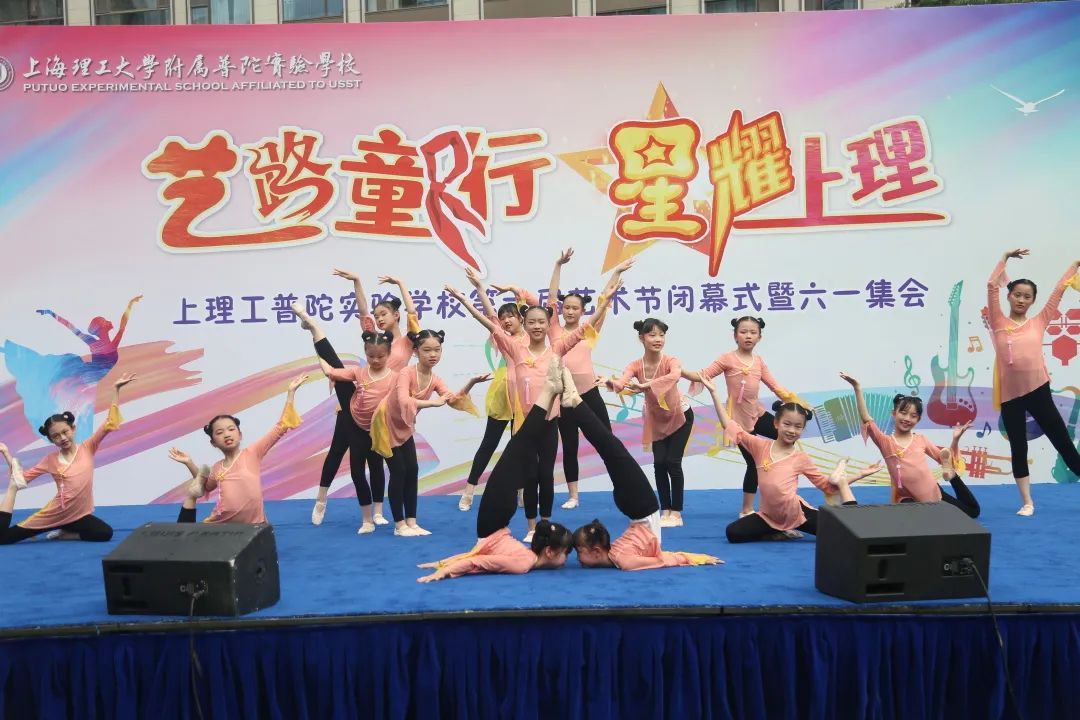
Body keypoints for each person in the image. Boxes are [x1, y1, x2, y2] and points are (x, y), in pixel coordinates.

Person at [446, 276, 617, 541]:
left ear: (549, 325)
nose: (537, 326)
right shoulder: (516, 350)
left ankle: (545, 525)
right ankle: (530, 528)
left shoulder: (557, 349)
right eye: (532, 322)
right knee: (530, 476)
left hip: (549, 423)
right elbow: (489, 322)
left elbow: (585, 328)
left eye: (541, 322)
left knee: (546, 474)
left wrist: (604, 303)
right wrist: (465, 300)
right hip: (524, 424)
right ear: (525, 325)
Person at [497, 251, 634, 509]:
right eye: (566, 307)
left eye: (575, 308)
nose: (570, 311)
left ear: (583, 311)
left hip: (589, 394)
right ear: (560, 310)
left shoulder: (588, 330)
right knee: (570, 447)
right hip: (565, 397)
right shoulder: (554, 329)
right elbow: (551, 296)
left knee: (607, 441)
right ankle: (573, 495)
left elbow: (604, 300)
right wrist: (558, 265)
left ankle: (624, 486)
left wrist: (616, 273)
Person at [416, 360, 574, 582]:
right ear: (549, 551)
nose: (566, 560)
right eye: (565, 554)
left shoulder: (524, 560)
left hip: (495, 521)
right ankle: (549, 392)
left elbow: (476, 558)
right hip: (495, 521)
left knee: (522, 441)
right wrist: (444, 570)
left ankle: (549, 391)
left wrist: (445, 564)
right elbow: (476, 561)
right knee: (522, 441)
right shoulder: (522, 563)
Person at [700, 376, 880, 543]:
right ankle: (776, 531)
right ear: (776, 423)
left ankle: (790, 526)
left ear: (802, 430)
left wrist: (860, 475)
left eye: (798, 427)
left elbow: (827, 487)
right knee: (733, 533)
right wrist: (714, 392)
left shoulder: (800, 458)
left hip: (797, 516)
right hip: (768, 517)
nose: (792, 430)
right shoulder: (759, 446)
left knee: (845, 532)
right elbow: (730, 425)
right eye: (787, 424)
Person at [987, 249, 1080, 516]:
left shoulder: (1039, 321)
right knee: (1019, 447)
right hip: (1010, 396)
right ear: (1009, 296)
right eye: (1017, 294)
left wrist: (1075, 263)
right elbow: (991, 285)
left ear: (1032, 301)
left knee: (1062, 441)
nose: (1021, 299)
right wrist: (1004, 257)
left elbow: (1059, 290)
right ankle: (1027, 502)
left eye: (1027, 296)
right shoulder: (998, 321)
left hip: (1038, 390)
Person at [684, 316, 805, 518]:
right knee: (753, 465)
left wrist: (795, 401)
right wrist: (678, 372)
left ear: (759, 337)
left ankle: (782, 491)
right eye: (743, 332)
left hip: (757, 415)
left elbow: (775, 387)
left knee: (787, 438)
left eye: (753, 332)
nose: (748, 336)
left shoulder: (759, 362)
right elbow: (702, 375)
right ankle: (747, 510)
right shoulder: (727, 359)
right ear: (735, 336)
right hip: (738, 423)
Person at [370, 330, 486, 537]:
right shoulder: (406, 373)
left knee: (412, 470)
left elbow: (452, 399)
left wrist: (471, 383)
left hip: (405, 425)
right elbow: (404, 400)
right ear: (415, 351)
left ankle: (412, 522)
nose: (433, 355)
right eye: (427, 350)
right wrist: (432, 403)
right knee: (398, 472)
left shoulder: (434, 379)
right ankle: (399, 525)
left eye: (437, 350)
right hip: (385, 424)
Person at [0, 373, 136, 544]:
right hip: (54, 514)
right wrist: (6, 454)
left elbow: (110, 423)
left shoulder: (88, 447)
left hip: (78, 516)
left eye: (65, 432)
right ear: (51, 440)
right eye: (56, 436)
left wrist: (116, 390)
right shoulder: (50, 460)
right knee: (3, 538)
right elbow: (20, 480)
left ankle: (66, 534)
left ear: (73, 429)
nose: (62, 438)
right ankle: (57, 527)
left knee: (104, 533)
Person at [168, 374, 307, 524]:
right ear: (213, 443)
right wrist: (189, 462)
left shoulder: (252, 453)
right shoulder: (217, 467)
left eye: (231, 429)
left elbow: (281, 427)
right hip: (221, 525)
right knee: (190, 513)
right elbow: (204, 487)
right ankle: (187, 513)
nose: (227, 434)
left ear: (240, 435)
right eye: (219, 432)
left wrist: (291, 393)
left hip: (254, 526)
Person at [839, 373, 980, 518]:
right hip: (907, 496)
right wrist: (857, 387)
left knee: (973, 511)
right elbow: (866, 419)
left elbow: (944, 459)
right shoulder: (885, 442)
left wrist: (955, 440)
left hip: (933, 492)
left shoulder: (921, 440)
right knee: (913, 518)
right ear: (894, 413)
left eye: (913, 416)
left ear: (918, 419)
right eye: (903, 413)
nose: (907, 419)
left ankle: (952, 476)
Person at [604, 318, 693, 528]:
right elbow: (623, 382)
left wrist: (645, 386)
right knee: (659, 463)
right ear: (641, 338)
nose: (658, 339)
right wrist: (611, 383)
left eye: (661, 335)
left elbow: (674, 376)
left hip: (680, 416)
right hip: (656, 420)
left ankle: (677, 513)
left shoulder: (671, 361)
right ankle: (665, 510)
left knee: (673, 462)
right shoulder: (635, 365)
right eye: (652, 335)